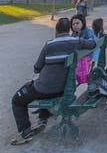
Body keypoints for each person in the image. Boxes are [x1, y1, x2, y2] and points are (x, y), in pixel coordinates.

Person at [10, 17, 95, 145]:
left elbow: (37, 68)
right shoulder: (76, 41)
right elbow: (93, 44)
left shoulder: (50, 44)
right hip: (63, 89)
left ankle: (25, 132)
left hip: (44, 89)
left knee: (17, 99)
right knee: (45, 85)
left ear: (56, 31)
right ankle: (43, 118)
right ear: (68, 29)